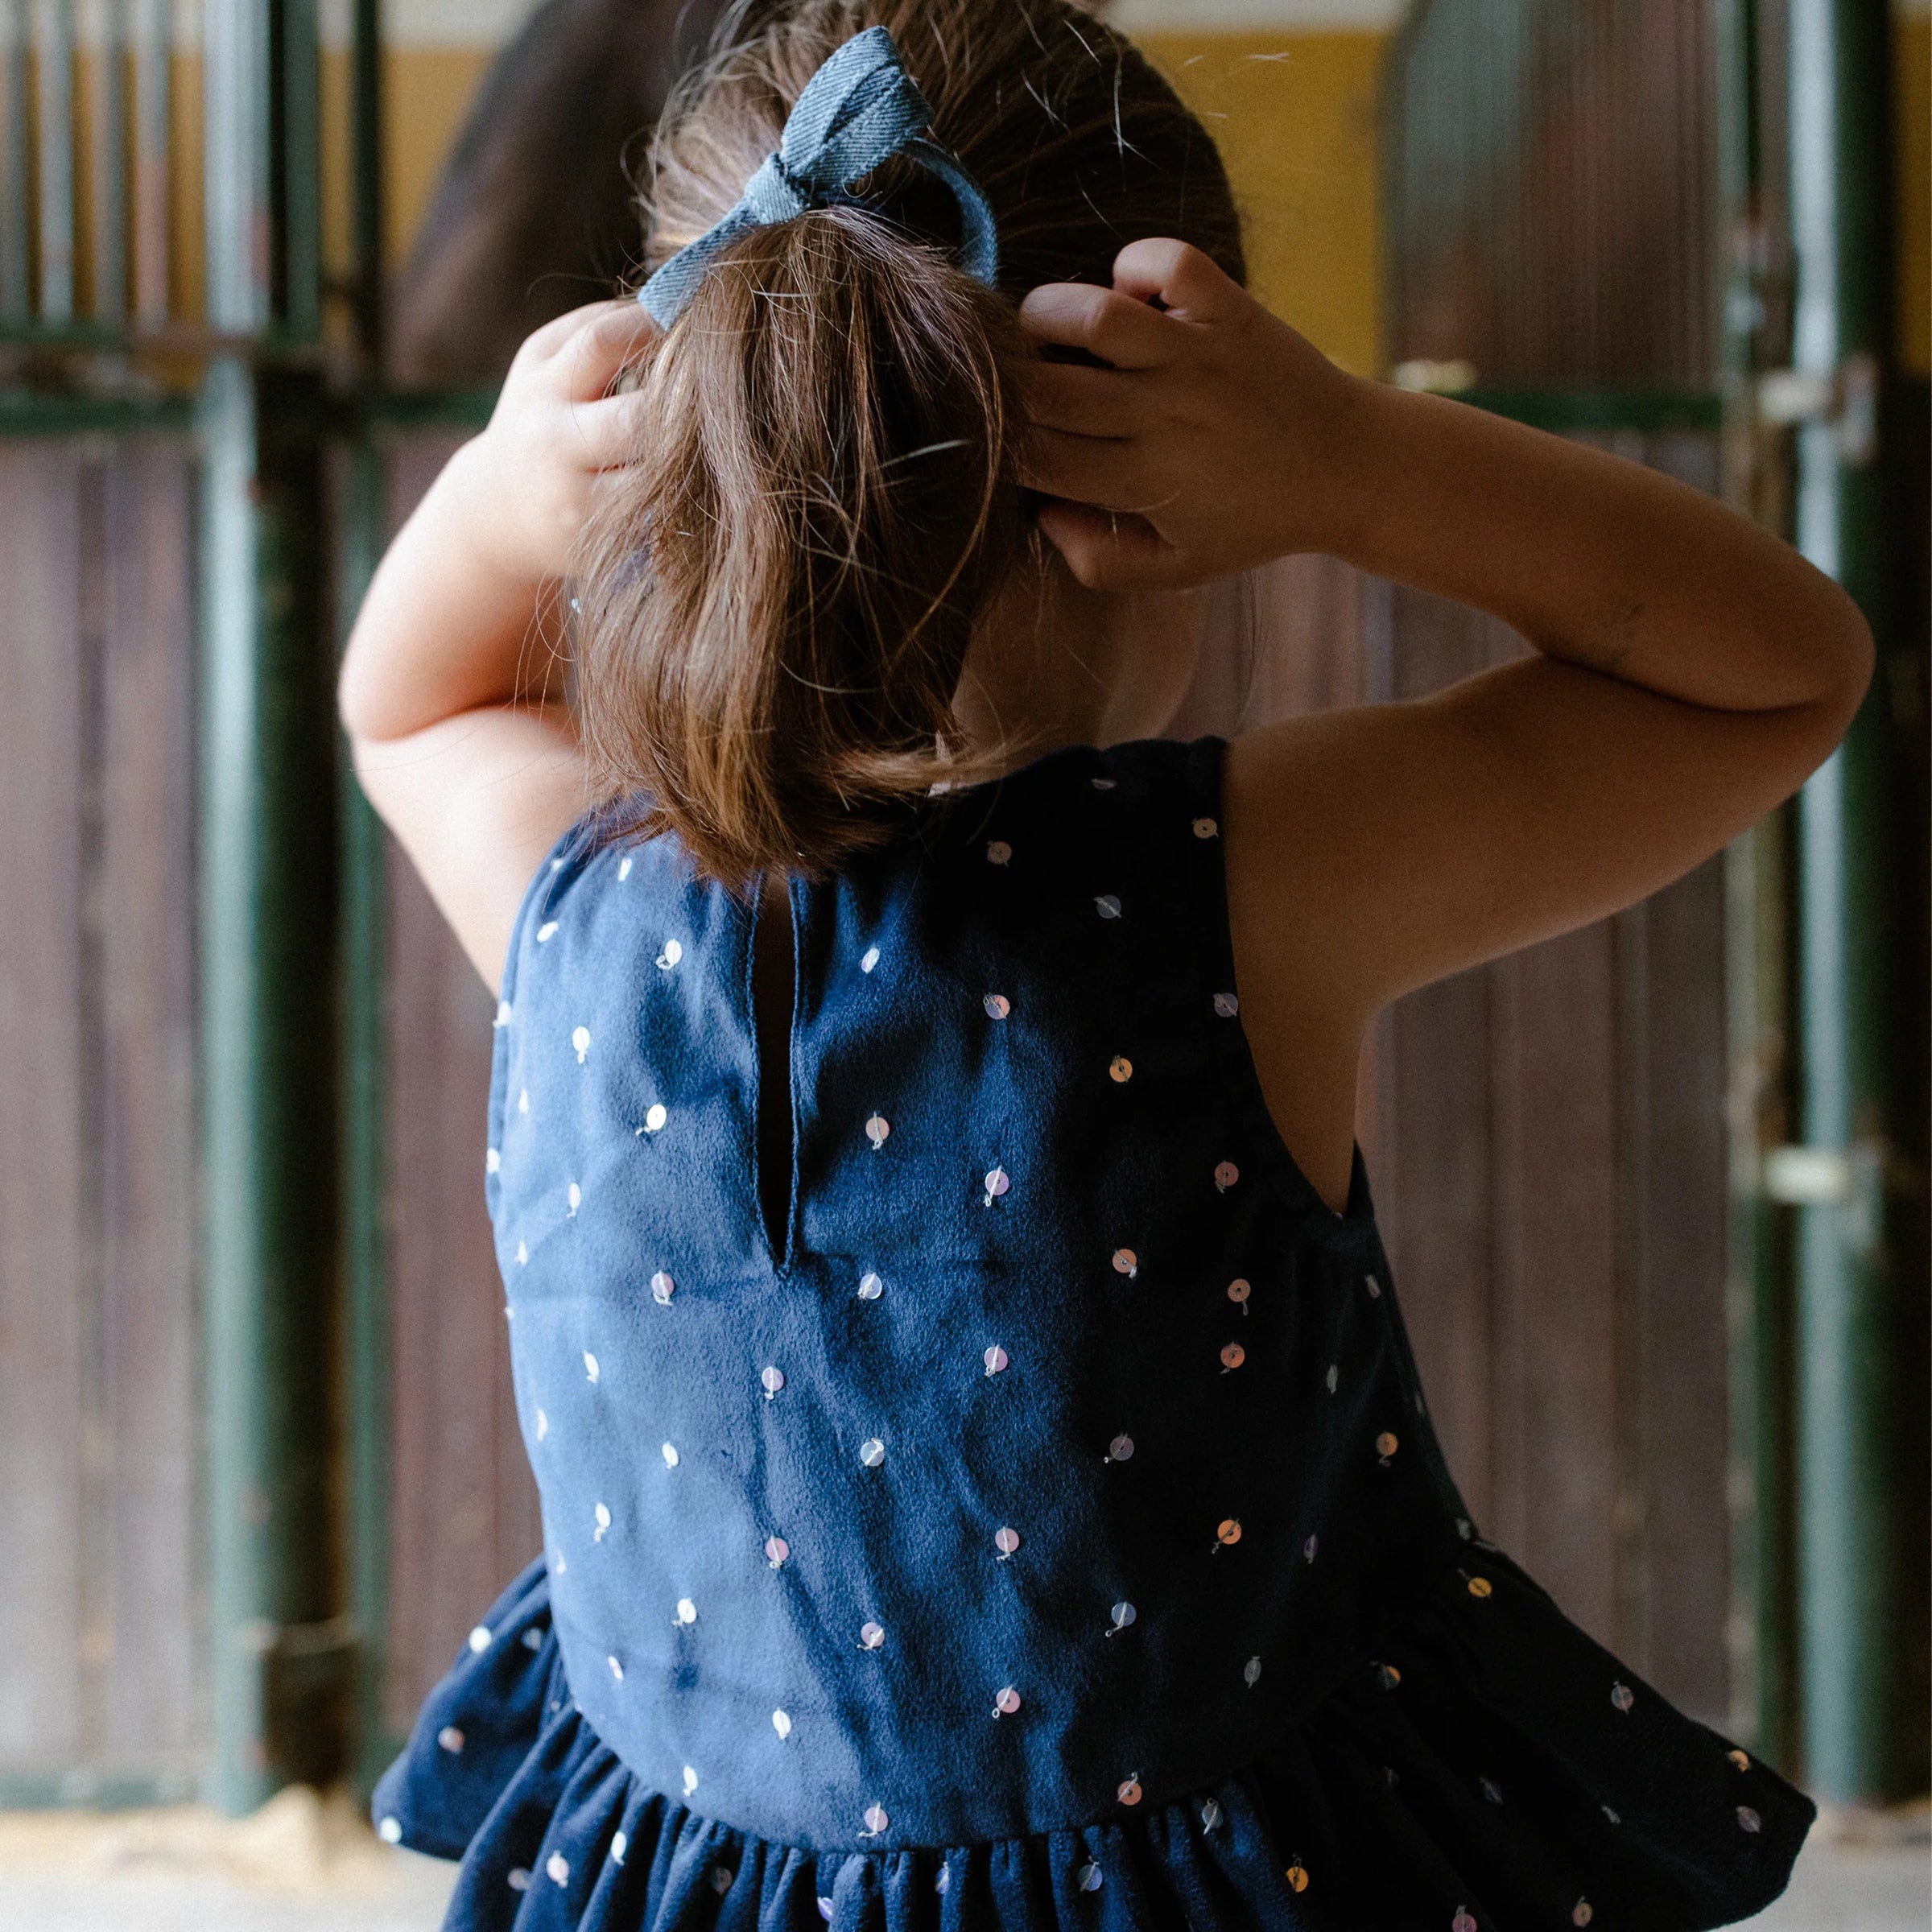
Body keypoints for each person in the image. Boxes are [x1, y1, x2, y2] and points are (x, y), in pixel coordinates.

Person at [338, 2, 1870, 1926]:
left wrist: (495, 499)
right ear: (1161, 500)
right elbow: (1780, 667)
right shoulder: (1241, 884)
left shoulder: (576, 900)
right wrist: (1361, 462)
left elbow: (405, 703)